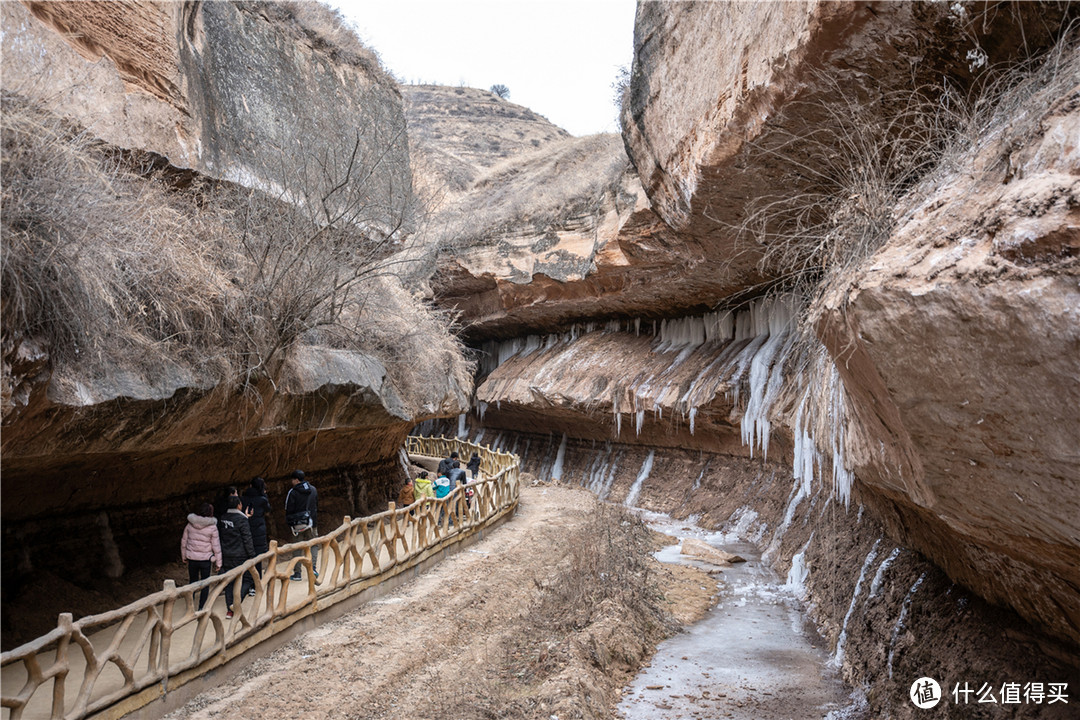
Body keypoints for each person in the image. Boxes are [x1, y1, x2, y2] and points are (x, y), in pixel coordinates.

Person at [217, 495, 255, 618]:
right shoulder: (241, 520)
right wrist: (252, 555)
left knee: (230, 581)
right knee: (247, 579)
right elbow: (247, 538)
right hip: (240, 555)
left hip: (226, 555)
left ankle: (230, 610)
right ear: (239, 505)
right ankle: (235, 604)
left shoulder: (222, 518)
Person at [181, 502, 221, 611]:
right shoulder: (212, 527)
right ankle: (201, 608)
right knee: (205, 583)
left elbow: (184, 541)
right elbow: (216, 546)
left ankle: (190, 607)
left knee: (192, 582)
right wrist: (218, 563)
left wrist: (184, 555)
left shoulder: (190, 524)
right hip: (205, 560)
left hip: (192, 559)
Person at [285, 469, 319, 582]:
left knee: (297, 547)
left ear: (296, 480)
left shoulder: (293, 492)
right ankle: (313, 568)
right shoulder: (313, 489)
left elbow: (289, 509)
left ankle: (298, 573)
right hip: (312, 522)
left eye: (292, 480)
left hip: (298, 525)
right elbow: (316, 505)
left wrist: (290, 523)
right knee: (313, 544)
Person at [241, 476, 271, 583]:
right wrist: (264, 494)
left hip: (246, 529)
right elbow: (268, 509)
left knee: (247, 556)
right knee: (257, 558)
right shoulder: (262, 500)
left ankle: (247, 582)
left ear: (250, 485)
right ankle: (256, 583)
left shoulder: (243, 499)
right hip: (259, 530)